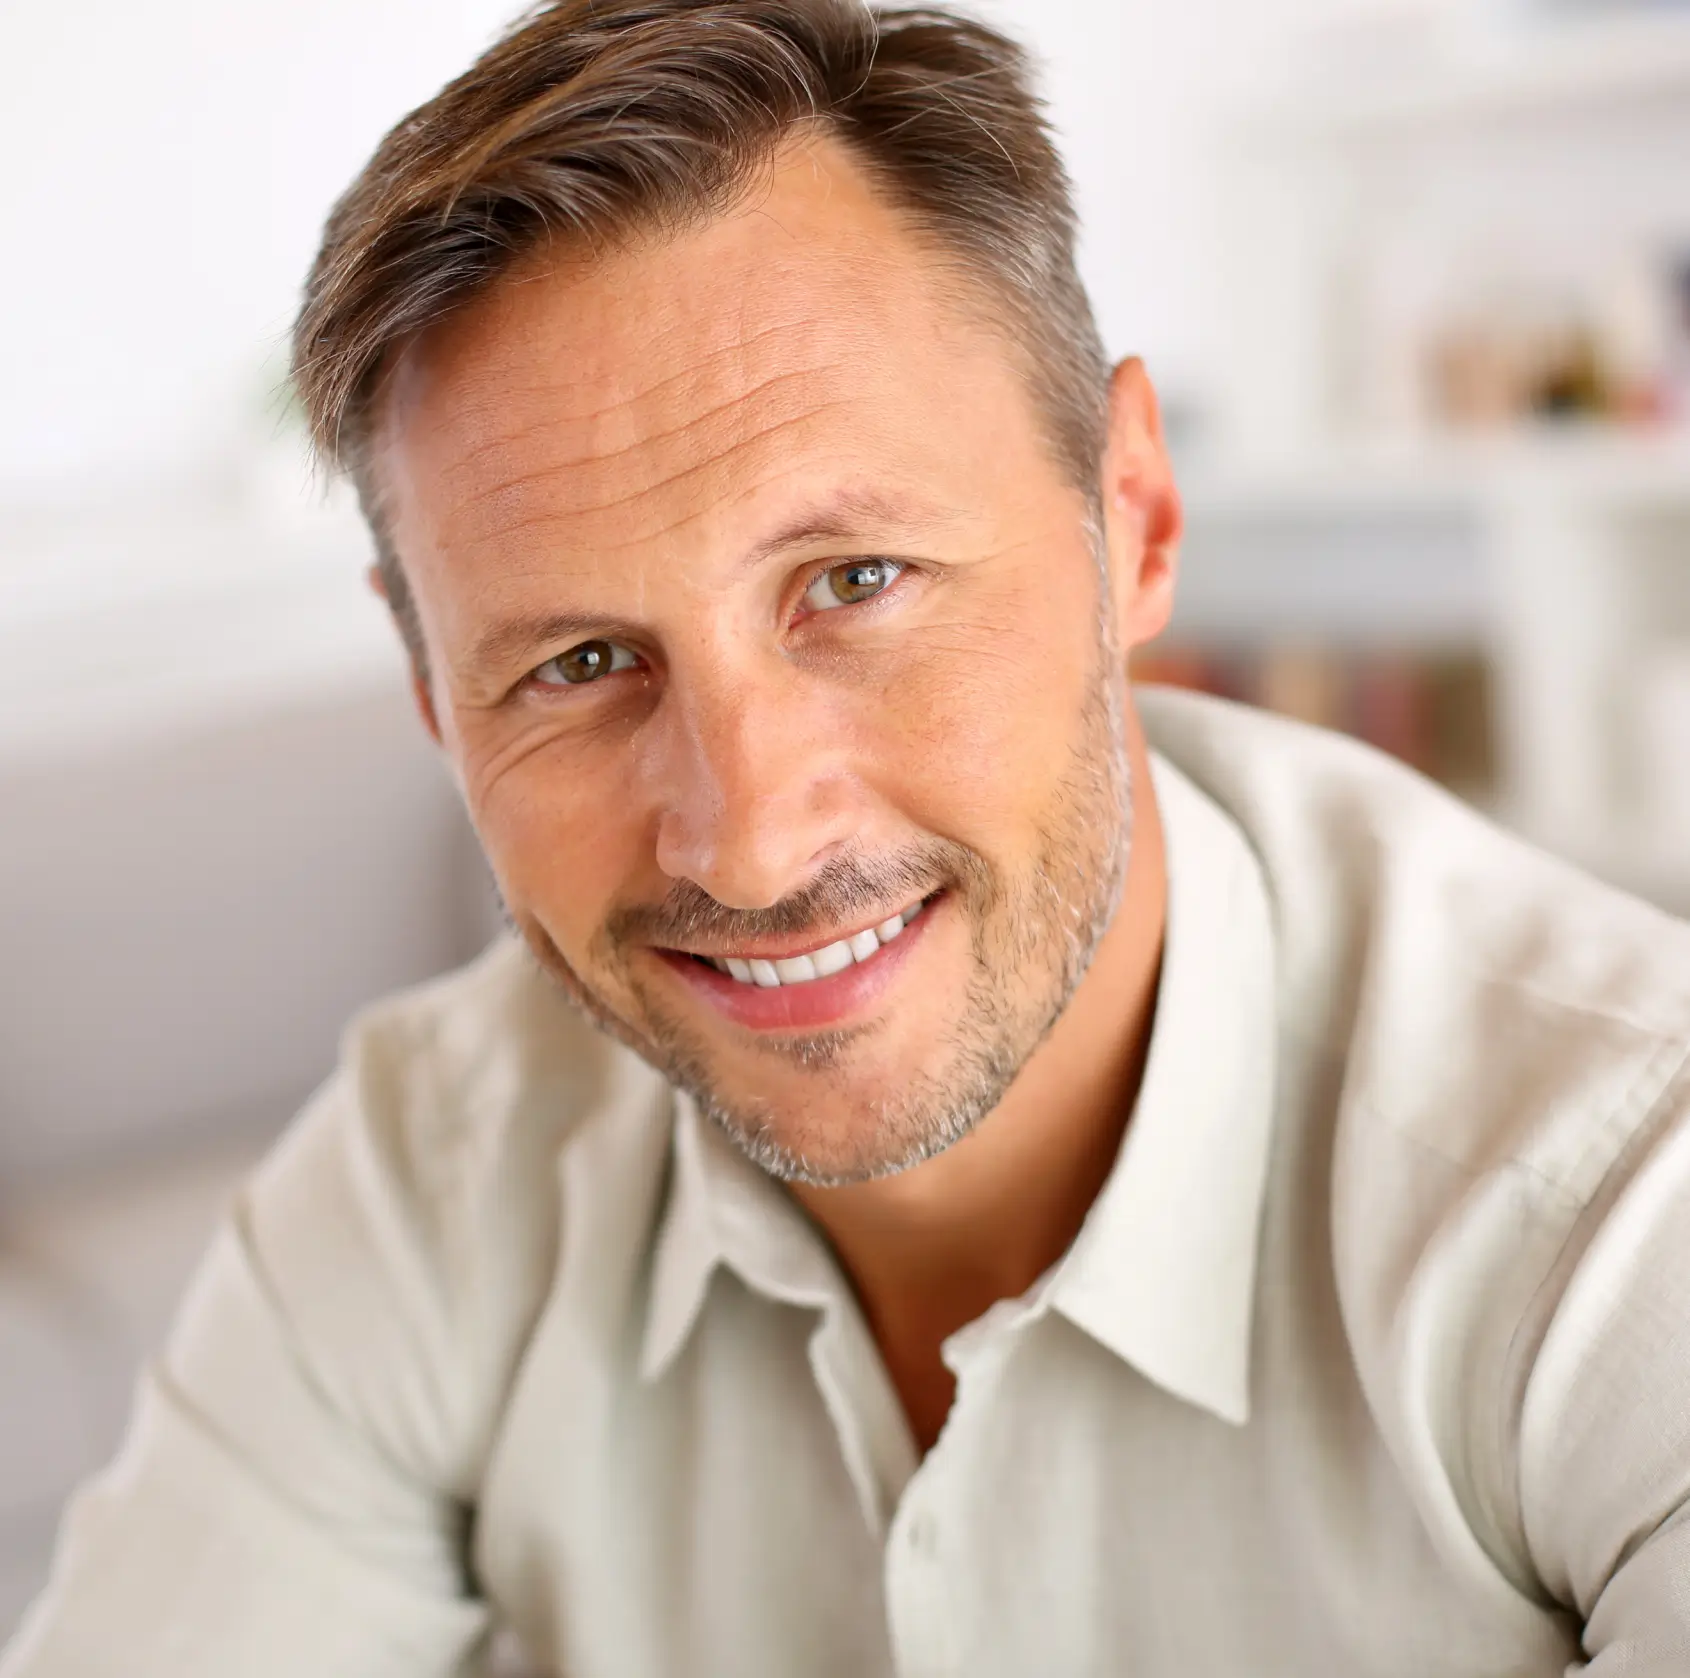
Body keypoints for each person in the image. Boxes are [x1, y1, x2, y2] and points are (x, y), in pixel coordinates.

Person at [7, 2, 1690, 1673]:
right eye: (576, 663)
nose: (745, 846)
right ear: (435, 697)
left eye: (855, 581)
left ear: (1131, 519)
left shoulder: (1620, 1212)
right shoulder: (425, 1180)